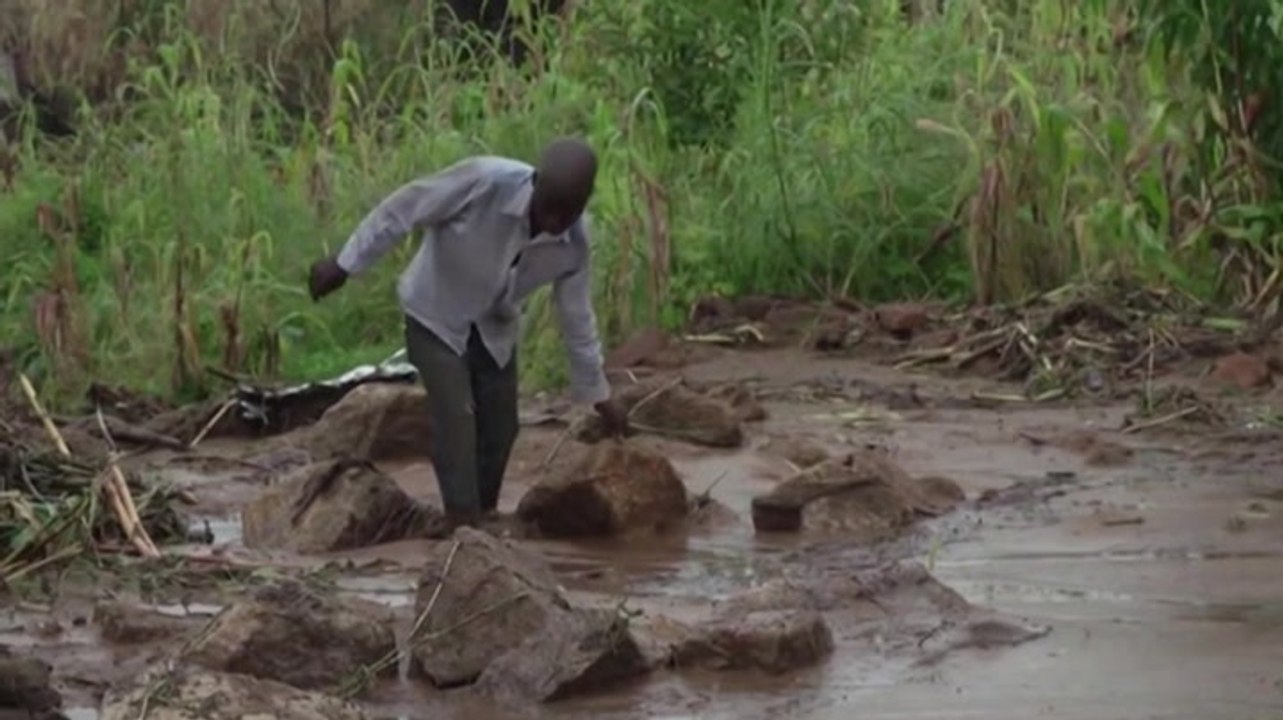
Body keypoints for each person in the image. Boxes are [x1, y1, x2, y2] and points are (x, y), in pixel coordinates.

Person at [307, 137, 629, 531]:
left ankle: (483, 514)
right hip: (435, 312)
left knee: (502, 427)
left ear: (584, 202)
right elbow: (405, 207)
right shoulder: (483, 182)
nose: (552, 223)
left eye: (567, 213)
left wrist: (599, 395)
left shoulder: (575, 243)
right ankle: (462, 522)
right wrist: (345, 263)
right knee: (457, 418)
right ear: (535, 182)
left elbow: (577, 317)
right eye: (547, 208)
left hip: (494, 329)